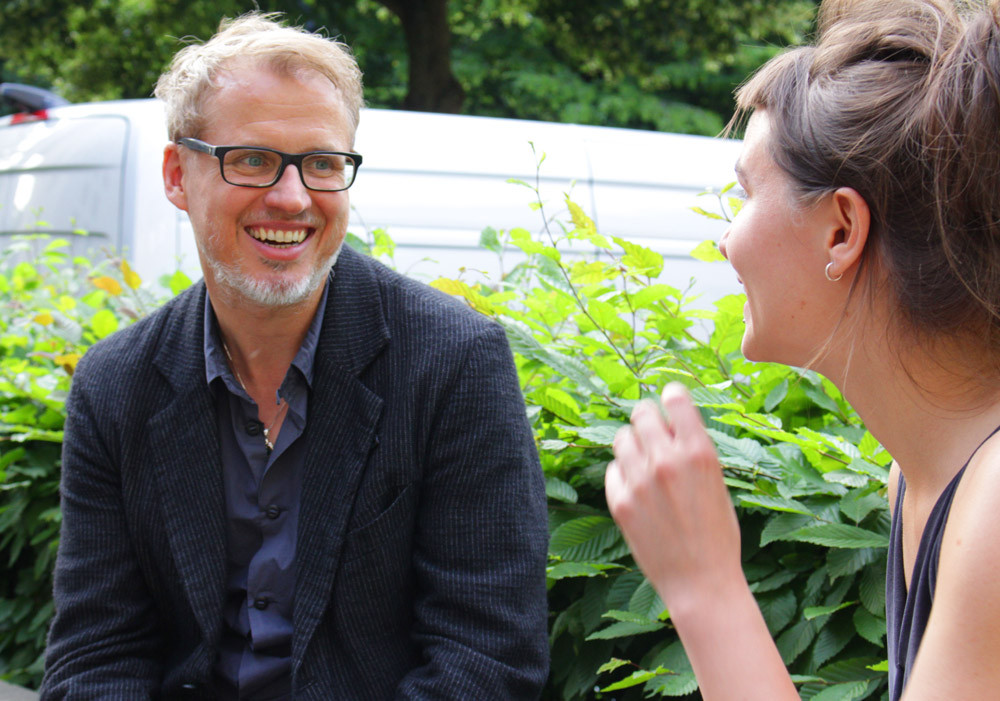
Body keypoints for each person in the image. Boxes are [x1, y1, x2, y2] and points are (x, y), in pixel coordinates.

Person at [40, 13, 549, 700]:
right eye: (250, 159)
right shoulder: (115, 384)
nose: (292, 197)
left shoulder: (455, 362)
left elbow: (488, 660)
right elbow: (97, 656)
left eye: (322, 163)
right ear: (176, 174)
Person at [605, 0, 1000, 699]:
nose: (724, 240)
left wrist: (704, 585)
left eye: (746, 192)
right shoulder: (920, 478)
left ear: (842, 229)